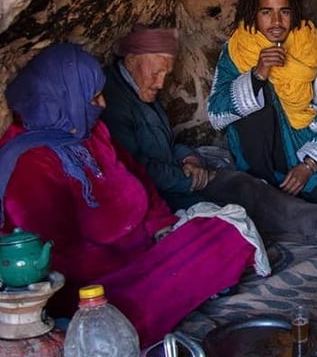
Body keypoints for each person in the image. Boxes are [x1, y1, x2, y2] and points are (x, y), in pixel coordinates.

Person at [0, 43, 254, 346]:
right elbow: (57, 257)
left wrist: (161, 228)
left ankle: (179, 283)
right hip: (96, 281)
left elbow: (139, 180)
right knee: (113, 320)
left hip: (142, 251)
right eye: (93, 97)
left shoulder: (92, 133)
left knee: (228, 230)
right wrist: (139, 254)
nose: (103, 103)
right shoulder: (28, 162)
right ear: (62, 99)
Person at [101, 25, 317, 248]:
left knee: (246, 187)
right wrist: (188, 179)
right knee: (238, 203)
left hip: (179, 177)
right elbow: (132, 169)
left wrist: (188, 158)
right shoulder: (116, 103)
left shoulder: (141, 90)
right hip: (156, 196)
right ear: (131, 60)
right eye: (156, 73)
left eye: (166, 73)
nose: (161, 82)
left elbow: (167, 145)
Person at [208, 0, 317, 208]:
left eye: (284, 12)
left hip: (303, 151)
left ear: (294, 13)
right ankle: (268, 190)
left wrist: (308, 166)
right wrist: (257, 75)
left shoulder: (316, 51)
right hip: (257, 160)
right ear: (254, 14)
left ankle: (284, 204)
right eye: (266, 12)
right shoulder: (236, 50)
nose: (276, 22)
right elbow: (216, 114)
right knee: (258, 101)